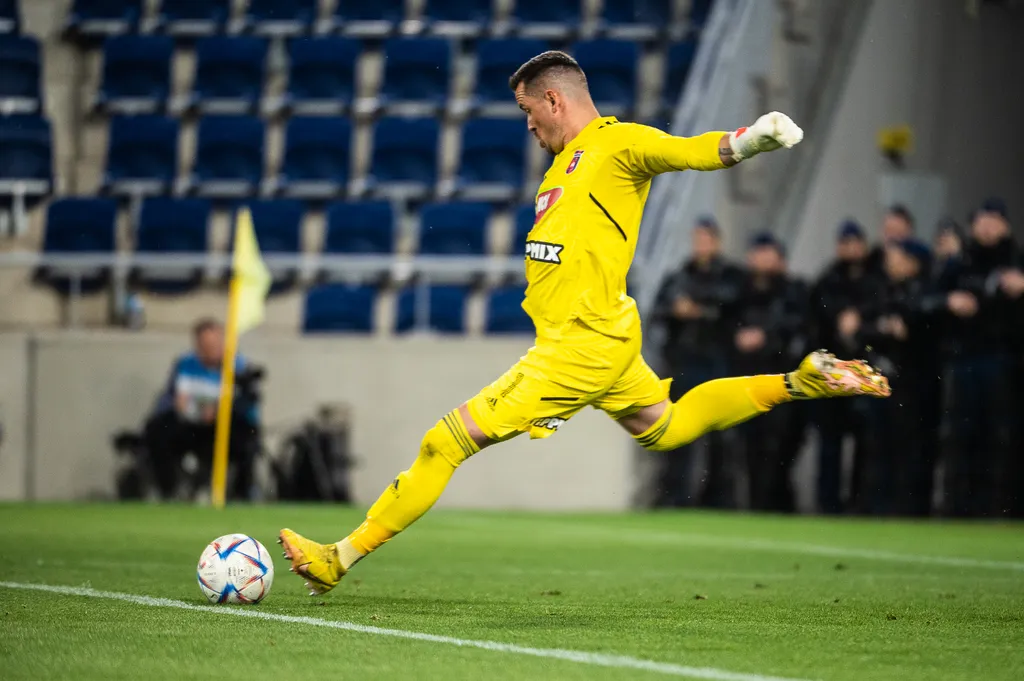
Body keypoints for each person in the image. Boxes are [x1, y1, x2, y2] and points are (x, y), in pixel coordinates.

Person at [277, 51, 890, 595]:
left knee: (445, 441)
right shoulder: (568, 164)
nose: (528, 125)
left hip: (579, 348)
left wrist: (751, 140)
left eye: (528, 110)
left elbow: (686, 152)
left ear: (553, 99)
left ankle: (339, 558)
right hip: (604, 338)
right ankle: (801, 382)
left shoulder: (617, 145)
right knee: (667, 426)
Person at [936, 198, 1022, 517]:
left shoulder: (1016, 260)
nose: (987, 226)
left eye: (994, 220)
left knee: (999, 435)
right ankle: (958, 506)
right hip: (964, 358)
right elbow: (926, 301)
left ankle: (998, 507)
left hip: (1003, 360)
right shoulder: (958, 263)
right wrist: (948, 300)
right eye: (981, 220)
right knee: (961, 433)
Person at [650, 218, 743, 508]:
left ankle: (718, 499)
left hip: (717, 364)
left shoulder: (730, 275)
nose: (700, 245)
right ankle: (674, 495)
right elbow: (658, 310)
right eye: (697, 239)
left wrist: (696, 309)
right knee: (677, 430)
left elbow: (732, 305)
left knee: (720, 435)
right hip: (683, 363)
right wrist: (677, 311)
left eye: (705, 239)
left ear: (716, 242)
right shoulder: (678, 276)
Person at [857, 239, 937, 515]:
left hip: (915, 383)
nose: (890, 262)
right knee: (880, 443)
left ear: (913, 262)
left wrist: (894, 328)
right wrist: (884, 328)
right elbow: (863, 328)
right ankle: (881, 506)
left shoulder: (925, 292)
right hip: (884, 379)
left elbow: (918, 331)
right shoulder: (886, 291)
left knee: (911, 446)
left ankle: (910, 508)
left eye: (898, 257)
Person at [731, 233, 809, 512]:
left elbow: (803, 329)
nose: (763, 258)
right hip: (749, 381)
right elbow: (725, 326)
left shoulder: (794, 290)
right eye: (758, 251)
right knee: (750, 447)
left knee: (781, 448)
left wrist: (767, 337)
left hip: (784, 382)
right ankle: (756, 507)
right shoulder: (740, 291)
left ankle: (781, 506)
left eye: (769, 252)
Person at [144, 318, 260, 501]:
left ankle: (242, 493)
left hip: (223, 426)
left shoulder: (238, 366)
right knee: (157, 430)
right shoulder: (185, 365)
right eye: (204, 345)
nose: (210, 350)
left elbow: (248, 402)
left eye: (214, 344)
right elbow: (168, 396)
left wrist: (219, 411)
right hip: (190, 425)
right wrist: (175, 405)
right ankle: (169, 490)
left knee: (246, 437)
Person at [808, 221, 880, 513]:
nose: (850, 249)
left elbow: (881, 314)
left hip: (865, 369)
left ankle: (861, 502)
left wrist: (859, 322)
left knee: (867, 441)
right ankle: (828, 504)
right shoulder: (827, 281)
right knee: (829, 441)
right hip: (832, 371)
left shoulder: (875, 280)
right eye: (845, 242)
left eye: (854, 242)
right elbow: (817, 320)